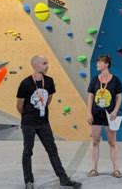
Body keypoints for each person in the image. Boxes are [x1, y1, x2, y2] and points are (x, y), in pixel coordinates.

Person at [16, 55, 82, 189]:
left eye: (47, 63)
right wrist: (28, 116)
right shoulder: (25, 83)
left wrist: (41, 112)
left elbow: (48, 99)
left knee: (52, 150)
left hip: (43, 123)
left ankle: (63, 179)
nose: (47, 66)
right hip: (28, 123)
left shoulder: (49, 81)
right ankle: (28, 181)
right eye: (44, 63)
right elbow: (19, 104)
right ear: (35, 65)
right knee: (28, 151)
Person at [86, 55, 122, 178]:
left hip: (110, 115)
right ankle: (93, 169)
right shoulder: (94, 80)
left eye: (99, 62)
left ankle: (116, 169)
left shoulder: (116, 80)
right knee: (95, 141)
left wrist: (115, 110)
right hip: (96, 114)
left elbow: (119, 96)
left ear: (107, 64)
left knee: (112, 142)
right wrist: (89, 112)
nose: (97, 64)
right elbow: (90, 97)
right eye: (97, 62)